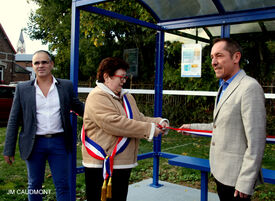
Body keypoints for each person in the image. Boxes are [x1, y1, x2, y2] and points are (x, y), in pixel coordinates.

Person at [180, 38, 266, 201]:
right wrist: (191, 127)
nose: (213, 62)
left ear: (236, 57)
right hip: (221, 173)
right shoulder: (223, 87)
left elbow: (256, 141)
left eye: (219, 56)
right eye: (212, 57)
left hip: (237, 181)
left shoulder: (249, 87)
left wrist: (245, 182)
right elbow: (219, 126)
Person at [82, 57, 168, 201]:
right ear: (106, 77)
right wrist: (150, 129)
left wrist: (160, 122)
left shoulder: (126, 96)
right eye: (121, 77)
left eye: (125, 77)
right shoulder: (96, 96)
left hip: (122, 163)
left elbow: (138, 118)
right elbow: (115, 124)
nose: (124, 81)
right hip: (101, 164)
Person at [3, 50, 84, 201]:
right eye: (37, 63)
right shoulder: (23, 89)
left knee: (63, 185)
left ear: (51, 64)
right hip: (34, 144)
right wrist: (9, 148)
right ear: (33, 66)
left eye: (44, 62)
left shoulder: (65, 86)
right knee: (34, 185)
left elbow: (80, 108)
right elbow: (14, 119)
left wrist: (101, 112)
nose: (41, 65)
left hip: (59, 142)